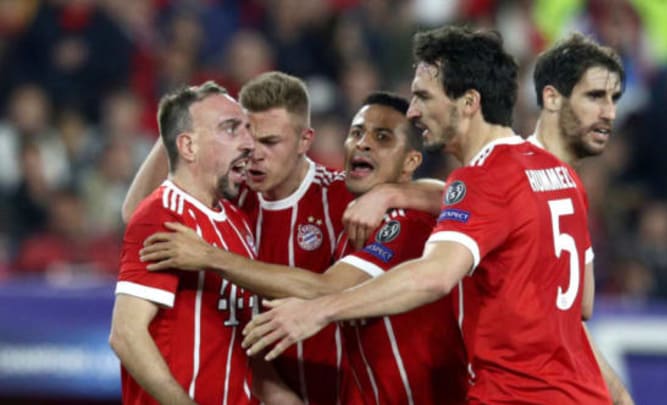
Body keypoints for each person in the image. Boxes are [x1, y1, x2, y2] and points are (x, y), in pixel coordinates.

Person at [241, 26, 612, 404]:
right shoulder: (557, 173)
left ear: (468, 102)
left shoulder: (484, 179)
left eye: (423, 96)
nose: (414, 111)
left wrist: (318, 312)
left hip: (516, 395)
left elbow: (434, 277)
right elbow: (583, 302)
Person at [121, 72, 444, 404]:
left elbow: (453, 197)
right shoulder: (232, 200)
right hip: (266, 391)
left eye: (270, 142)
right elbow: (140, 214)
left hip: (344, 389)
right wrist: (180, 120)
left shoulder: (343, 194)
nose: (254, 152)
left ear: (305, 141)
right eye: (247, 136)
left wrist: (391, 194)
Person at [109, 81, 300, 405]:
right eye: (230, 129)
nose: (248, 144)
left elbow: (245, 347)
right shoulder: (163, 215)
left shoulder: (237, 221)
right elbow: (126, 335)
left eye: (247, 130)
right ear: (188, 147)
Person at [531, 32, 634, 405]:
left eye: (614, 99)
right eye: (595, 96)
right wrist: (401, 193)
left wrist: (619, 394)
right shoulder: (512, 168)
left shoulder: (569, 185)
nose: (610, 112)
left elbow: (574, 313)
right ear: (552, 97)